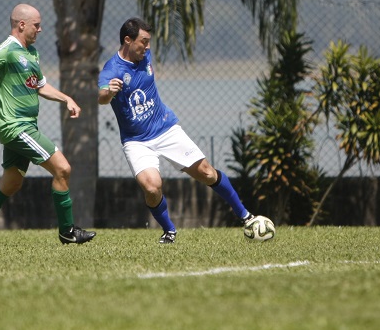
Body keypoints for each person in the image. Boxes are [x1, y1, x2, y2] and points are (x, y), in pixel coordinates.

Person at [98, 17, 265, 243]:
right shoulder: (112, 69)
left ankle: (246, 216)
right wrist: (109, 92)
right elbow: (101, 97)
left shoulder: (145, 56)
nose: (148, 47)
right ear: (128, 40)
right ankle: (169, 231)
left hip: (165, 128)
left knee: (207, 173)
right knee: (152, 187)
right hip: (136, 141)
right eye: (144, 41)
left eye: (149, 41)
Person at [0, 3, 96, 246]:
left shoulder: (31, 53)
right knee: (62, 169)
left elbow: (40, 86)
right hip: (16, 127)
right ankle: (67, 231)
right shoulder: (6, 50)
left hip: (26, 126)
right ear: (21, 25)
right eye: (36, 25)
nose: (40, 30)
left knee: (12, 182)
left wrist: (66, 98)